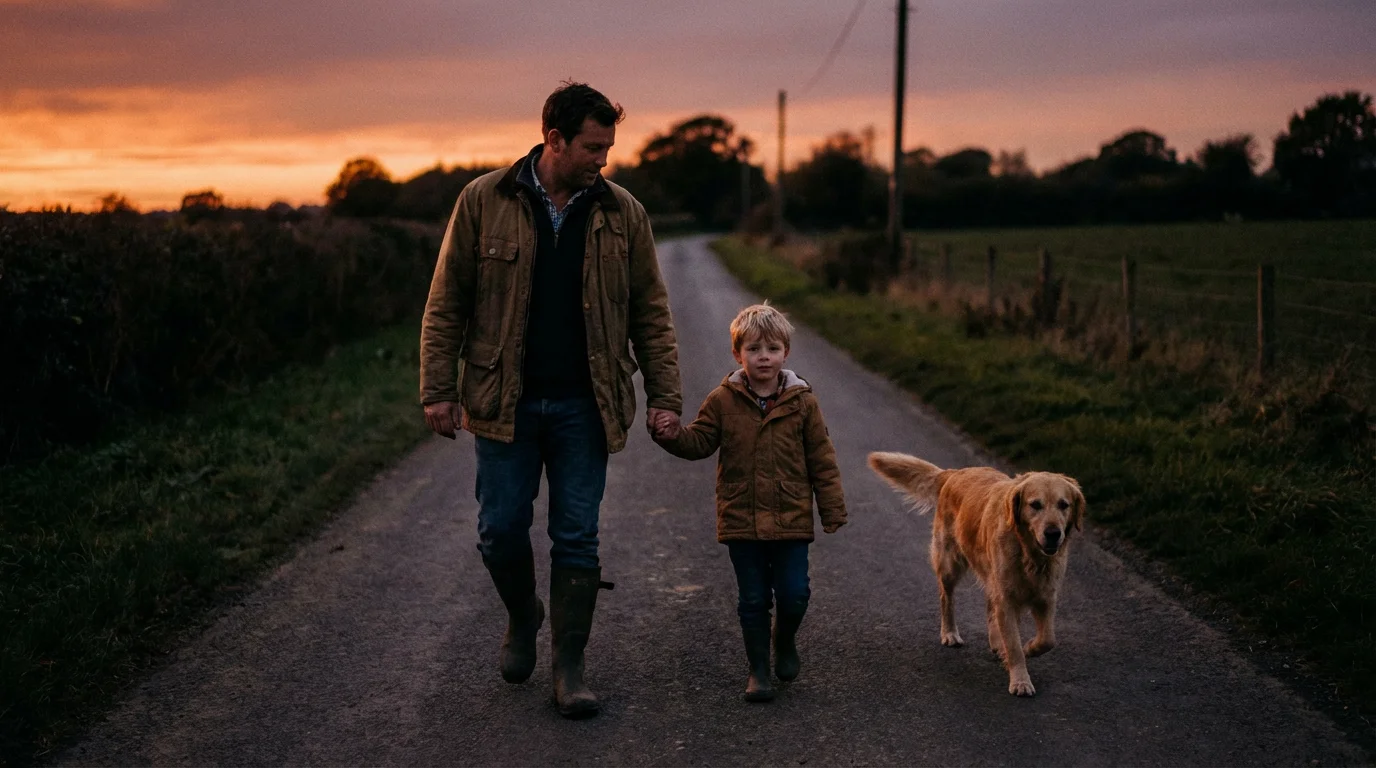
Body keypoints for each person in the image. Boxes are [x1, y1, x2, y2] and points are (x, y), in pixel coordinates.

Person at [419, 81, 682, 719]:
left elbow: (651, 313)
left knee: (577, 537)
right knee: (499, 530)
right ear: (554, 139)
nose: (604, 159)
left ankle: (569, 666)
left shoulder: (625, 214)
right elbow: (447, 299)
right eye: (594, 147)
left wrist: (664, 396)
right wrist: (438, 388)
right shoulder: (483, 200)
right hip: (503, 403)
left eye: (609, 147)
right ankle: (522, 614)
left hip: (585, 407)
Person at [651, 303, 845, 701]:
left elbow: (821, 459)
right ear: (738, 354)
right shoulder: (723, 400)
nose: (764, 357)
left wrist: (831, 508)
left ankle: (784, 639)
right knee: (753, 598)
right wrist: (671, 435)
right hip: (742, 518)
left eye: (772, 349)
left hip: (791, 518)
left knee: (795, 594)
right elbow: (700, 441)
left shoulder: (802, 401)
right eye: (754, 349)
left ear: (785, 353)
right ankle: (758, 671)